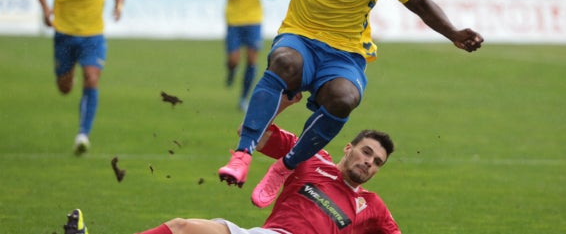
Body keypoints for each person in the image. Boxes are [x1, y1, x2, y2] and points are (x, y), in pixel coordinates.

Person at [215, 0, 484, 209]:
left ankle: (285, 167)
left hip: (346, 53)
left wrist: (454, 33)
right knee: (285, 62)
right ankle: (243, 153)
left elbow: (418, 2)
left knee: (345, 98)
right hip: (301, 35)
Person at [64, 123, 401, 234]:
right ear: (349, 148)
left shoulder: (371, 206)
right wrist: (282, 100)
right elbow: (255, 132)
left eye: (377, 162)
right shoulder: (310, 157)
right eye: (366, 152)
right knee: (182, 228)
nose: (369, 163)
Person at [34, 0, 125, 156]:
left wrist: (119, 6)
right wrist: (45, 9)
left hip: (94, 34)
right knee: (64, 88)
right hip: (64, 30)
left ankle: (83, 135)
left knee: (92, 78)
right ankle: (68, 75)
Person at [210, 0, 280, 112]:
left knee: (251, 60)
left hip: (254, 19)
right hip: (234, 18)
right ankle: (231, 70)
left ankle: (243, 98)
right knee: (233, 60)